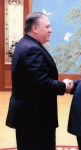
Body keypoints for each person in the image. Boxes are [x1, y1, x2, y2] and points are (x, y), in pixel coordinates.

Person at [6, 12, 73, 150]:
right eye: (47, 26)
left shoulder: (26, 43)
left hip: (30, 115)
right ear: (35, 28)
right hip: (34, 118)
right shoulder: (32, 49)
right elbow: (43, 84)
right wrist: (64, 86)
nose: (51, 30)